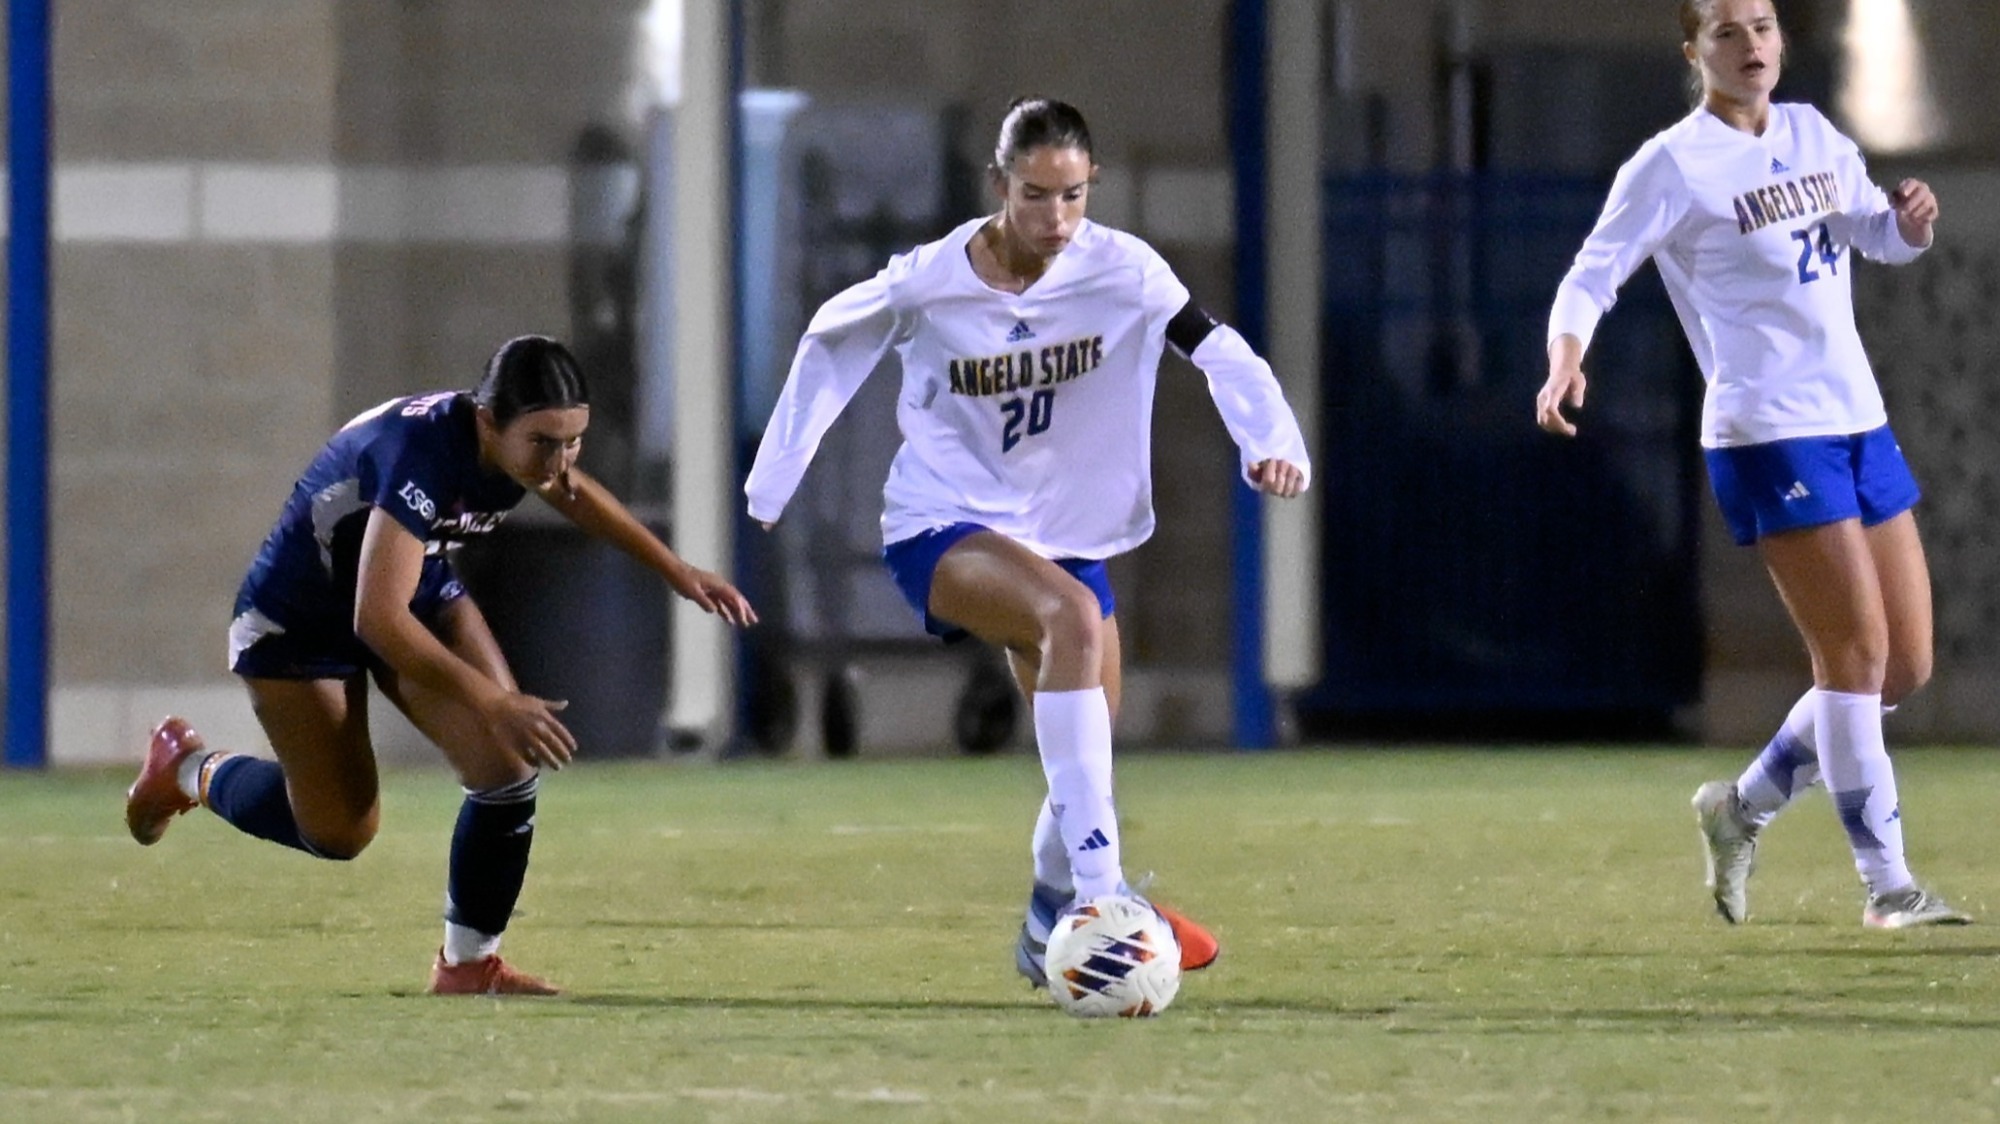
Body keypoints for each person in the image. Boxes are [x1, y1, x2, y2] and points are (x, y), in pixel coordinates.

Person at [744, 96, 1312, 990]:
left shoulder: (1122, 270)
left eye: (1076, 196)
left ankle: (1051, 913)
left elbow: (1216, 349)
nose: (1057, 219)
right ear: (999, 186)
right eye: (1038, 195)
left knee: (1082, 753)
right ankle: (1103, 904)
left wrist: (1271, 439)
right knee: (1073, 621)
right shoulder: (931, 278)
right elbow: (829, 337)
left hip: (1067, 533)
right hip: (943, 521)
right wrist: (775, 478)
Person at [125, 335, 758, 994]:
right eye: (545, 441)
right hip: (299, 620)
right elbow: (377, 620)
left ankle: (467, 965)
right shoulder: (419, 454)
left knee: (506, 767)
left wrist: (676, 570)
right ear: (487, 420)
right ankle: (187, 769)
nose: (561, 459)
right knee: (341, 831)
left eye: (574, 439)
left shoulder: (523, 452)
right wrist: (489, 700)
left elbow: (569, 492)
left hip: (408, 591)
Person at [1537, 0, 1967, 929]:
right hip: (1768, 427)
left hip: (1859, 417)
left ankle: (1740, 810)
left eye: (1763, 26)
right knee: (1852, 657)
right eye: (1727, 32)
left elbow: (1873, 239)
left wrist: (1911, 224)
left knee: (1906, 667)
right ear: (1694, 52)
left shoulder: (1814, 134)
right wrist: (1568, 355)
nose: (1753, 45)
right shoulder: (1672, 163)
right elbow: (1592, 272)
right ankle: (1887, 885)